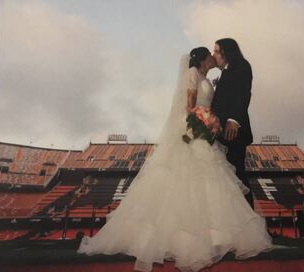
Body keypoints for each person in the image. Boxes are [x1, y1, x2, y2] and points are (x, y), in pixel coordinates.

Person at [77, 47, 273, 272]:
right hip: (192, 128)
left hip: (205, 128)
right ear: (201, 59)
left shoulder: (205, 77)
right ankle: (187, 238)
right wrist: (206, 119)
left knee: (209, 181)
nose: (212, 57)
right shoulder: (191, 74)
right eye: (209, 54)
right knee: (193, 175)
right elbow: (189, 106)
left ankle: (214, 235)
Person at [211, 38, 254, 209]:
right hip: (220, 132)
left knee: (237, 174)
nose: (213, 54)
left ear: (226, 52)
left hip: (233, 131)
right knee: (228, 177)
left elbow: (243, 93)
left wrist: (233, 120)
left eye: (216, 50)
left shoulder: (242, 66)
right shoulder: (225, 72)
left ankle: (250, 223)